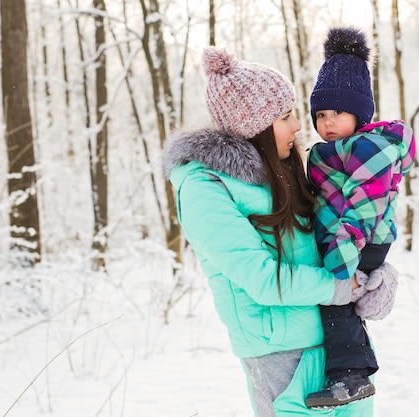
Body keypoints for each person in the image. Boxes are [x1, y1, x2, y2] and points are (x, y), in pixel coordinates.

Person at [162, 46, 399, 417]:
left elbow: (336, 232)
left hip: (340, 353)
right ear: (254, 125)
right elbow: (259, 278)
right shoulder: (204, 189)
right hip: (282, 360)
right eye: (286, 116)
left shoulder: (288, 168)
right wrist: (340, 288)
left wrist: (376, 276)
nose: (300, 126)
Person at [304, 27, 416, 408]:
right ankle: (350, 368)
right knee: (338, 299)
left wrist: (342, 265)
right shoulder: (330, 151)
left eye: (337, 112)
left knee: (335, 298)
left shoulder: (371, 148)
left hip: (361, 236)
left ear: (360, 112)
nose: (327, 122)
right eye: (320, 114)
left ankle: (351, 376)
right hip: (345, 234)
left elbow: (363, 209)